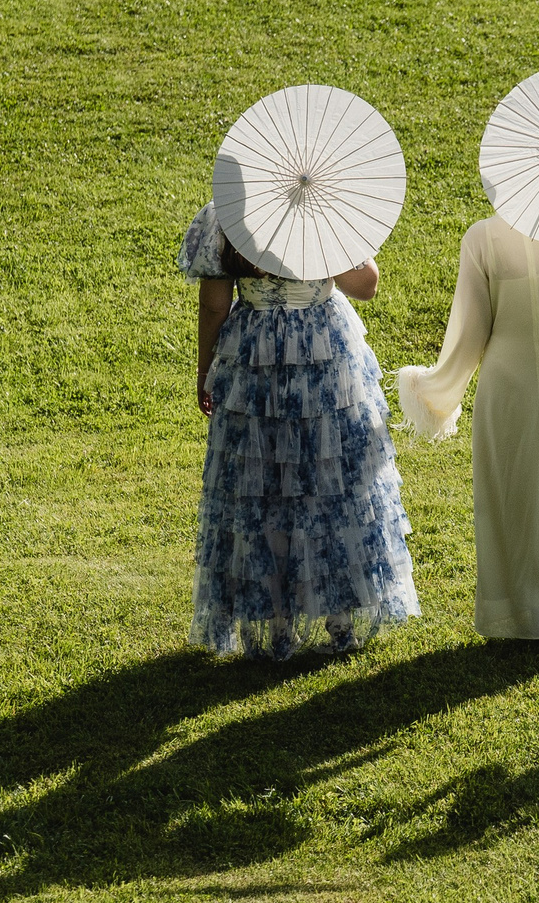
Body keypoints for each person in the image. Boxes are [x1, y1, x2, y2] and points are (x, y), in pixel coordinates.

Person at [179, 205, 419, 658]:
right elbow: (365, 285)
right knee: (331, 480)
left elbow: (214, 302)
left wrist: (204, 369)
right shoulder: (324, 210)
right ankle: (340, 619)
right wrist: (324, 240)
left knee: (264, 483)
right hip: (324, 350)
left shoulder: (225, 213)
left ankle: (278, 623)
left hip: (255, 353)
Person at [395, 218, 539, 641]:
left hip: (509, 376)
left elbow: (471, 328)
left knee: (512, 490)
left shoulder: (483, 238)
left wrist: (434, 388)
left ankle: (523, 607)